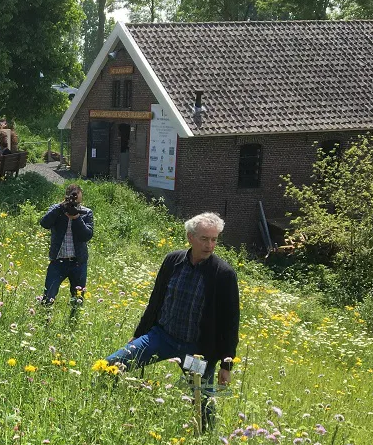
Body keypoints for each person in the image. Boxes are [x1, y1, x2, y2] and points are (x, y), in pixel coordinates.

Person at [105, 212, 240, 430]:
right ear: (190, 237)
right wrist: (140, 334)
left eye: (214, 239)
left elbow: (231, 322)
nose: (210, 245)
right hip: (161, 337)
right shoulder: (173, 260)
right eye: (204, 239)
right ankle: (105, 410)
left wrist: (226, 364)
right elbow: (156, 299)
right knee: (109, 366)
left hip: (195, 351)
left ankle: (205, 443)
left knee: (202, 403)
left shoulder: (223, 274)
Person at [39, 184, 93, 312]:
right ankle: (44, 320)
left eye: (78, 203)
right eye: (73, 202)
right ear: (65, 198)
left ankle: (74, 323)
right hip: (58, 260)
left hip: (78, 262)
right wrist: (60, 207)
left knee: (78, 299)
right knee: (48, 296)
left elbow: (87, 235)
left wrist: (76, 218)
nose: (76, 206)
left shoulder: (86, 212)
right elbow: (44, 223)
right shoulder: (57, 210)